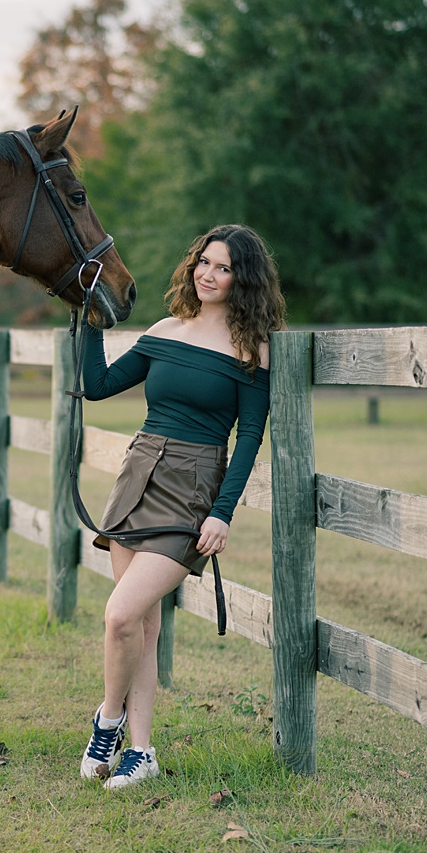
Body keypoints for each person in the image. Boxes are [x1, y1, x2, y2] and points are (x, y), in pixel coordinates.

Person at [77, 224, 286, 789]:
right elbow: (96, 386)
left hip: (193, 488)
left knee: (120, 615)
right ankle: (141, 754)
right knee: (140, 624)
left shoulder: (253, 350)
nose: (208, 273)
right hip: (139, 474)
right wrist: (91, 318)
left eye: (222, 267)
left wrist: (222, 512)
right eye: (203, 262)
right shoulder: (167, 329)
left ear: (242, 279)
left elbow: (248, 438)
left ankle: (109, 718)